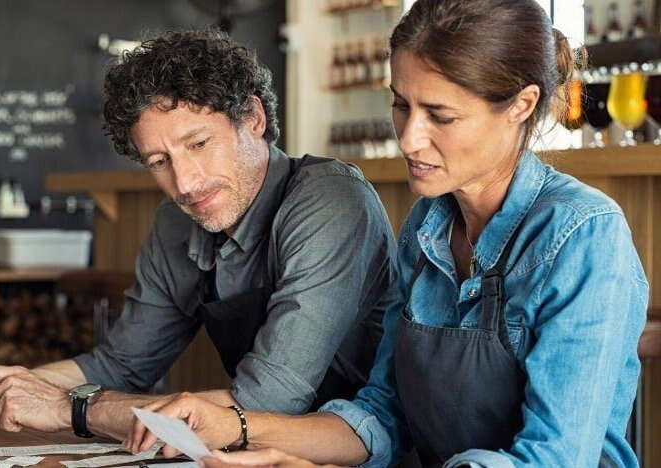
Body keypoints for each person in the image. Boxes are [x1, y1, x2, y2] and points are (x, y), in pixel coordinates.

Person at [126, 1, 648, 467]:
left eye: (440, 115)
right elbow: (382, 415)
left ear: (521, 105)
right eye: (401, 105)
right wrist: (238, 428)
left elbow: (555, 458)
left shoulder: (583, 235)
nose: (409, 138)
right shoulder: (427, 226)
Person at [0, 29, 398, 441]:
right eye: (159, 161)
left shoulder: (330, 201)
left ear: (253, 118)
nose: (185, 183)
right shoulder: (176, 221)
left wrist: (72, 409)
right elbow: (122, 364)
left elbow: (268, 400)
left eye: (198, 144)